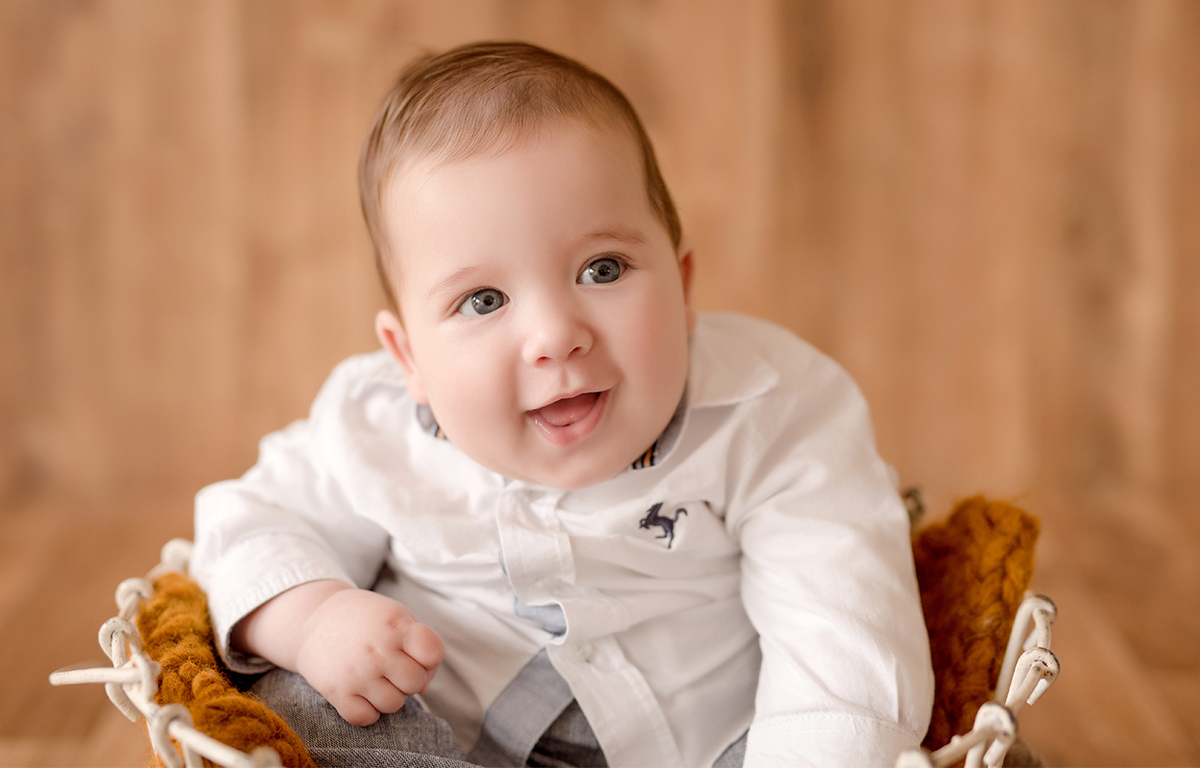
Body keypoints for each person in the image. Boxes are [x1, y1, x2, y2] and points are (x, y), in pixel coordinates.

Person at [191, 41, 934, 768]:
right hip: (446, 738)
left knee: (851, 714)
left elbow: (842, 622)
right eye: (483, 300)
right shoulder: (369, 429)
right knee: (294, 706)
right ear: (409, 358)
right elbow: (251, 523)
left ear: (682, 288)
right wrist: (315, 615)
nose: (554, 336)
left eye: (601, 268)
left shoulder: (773, 408)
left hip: (716, 745)